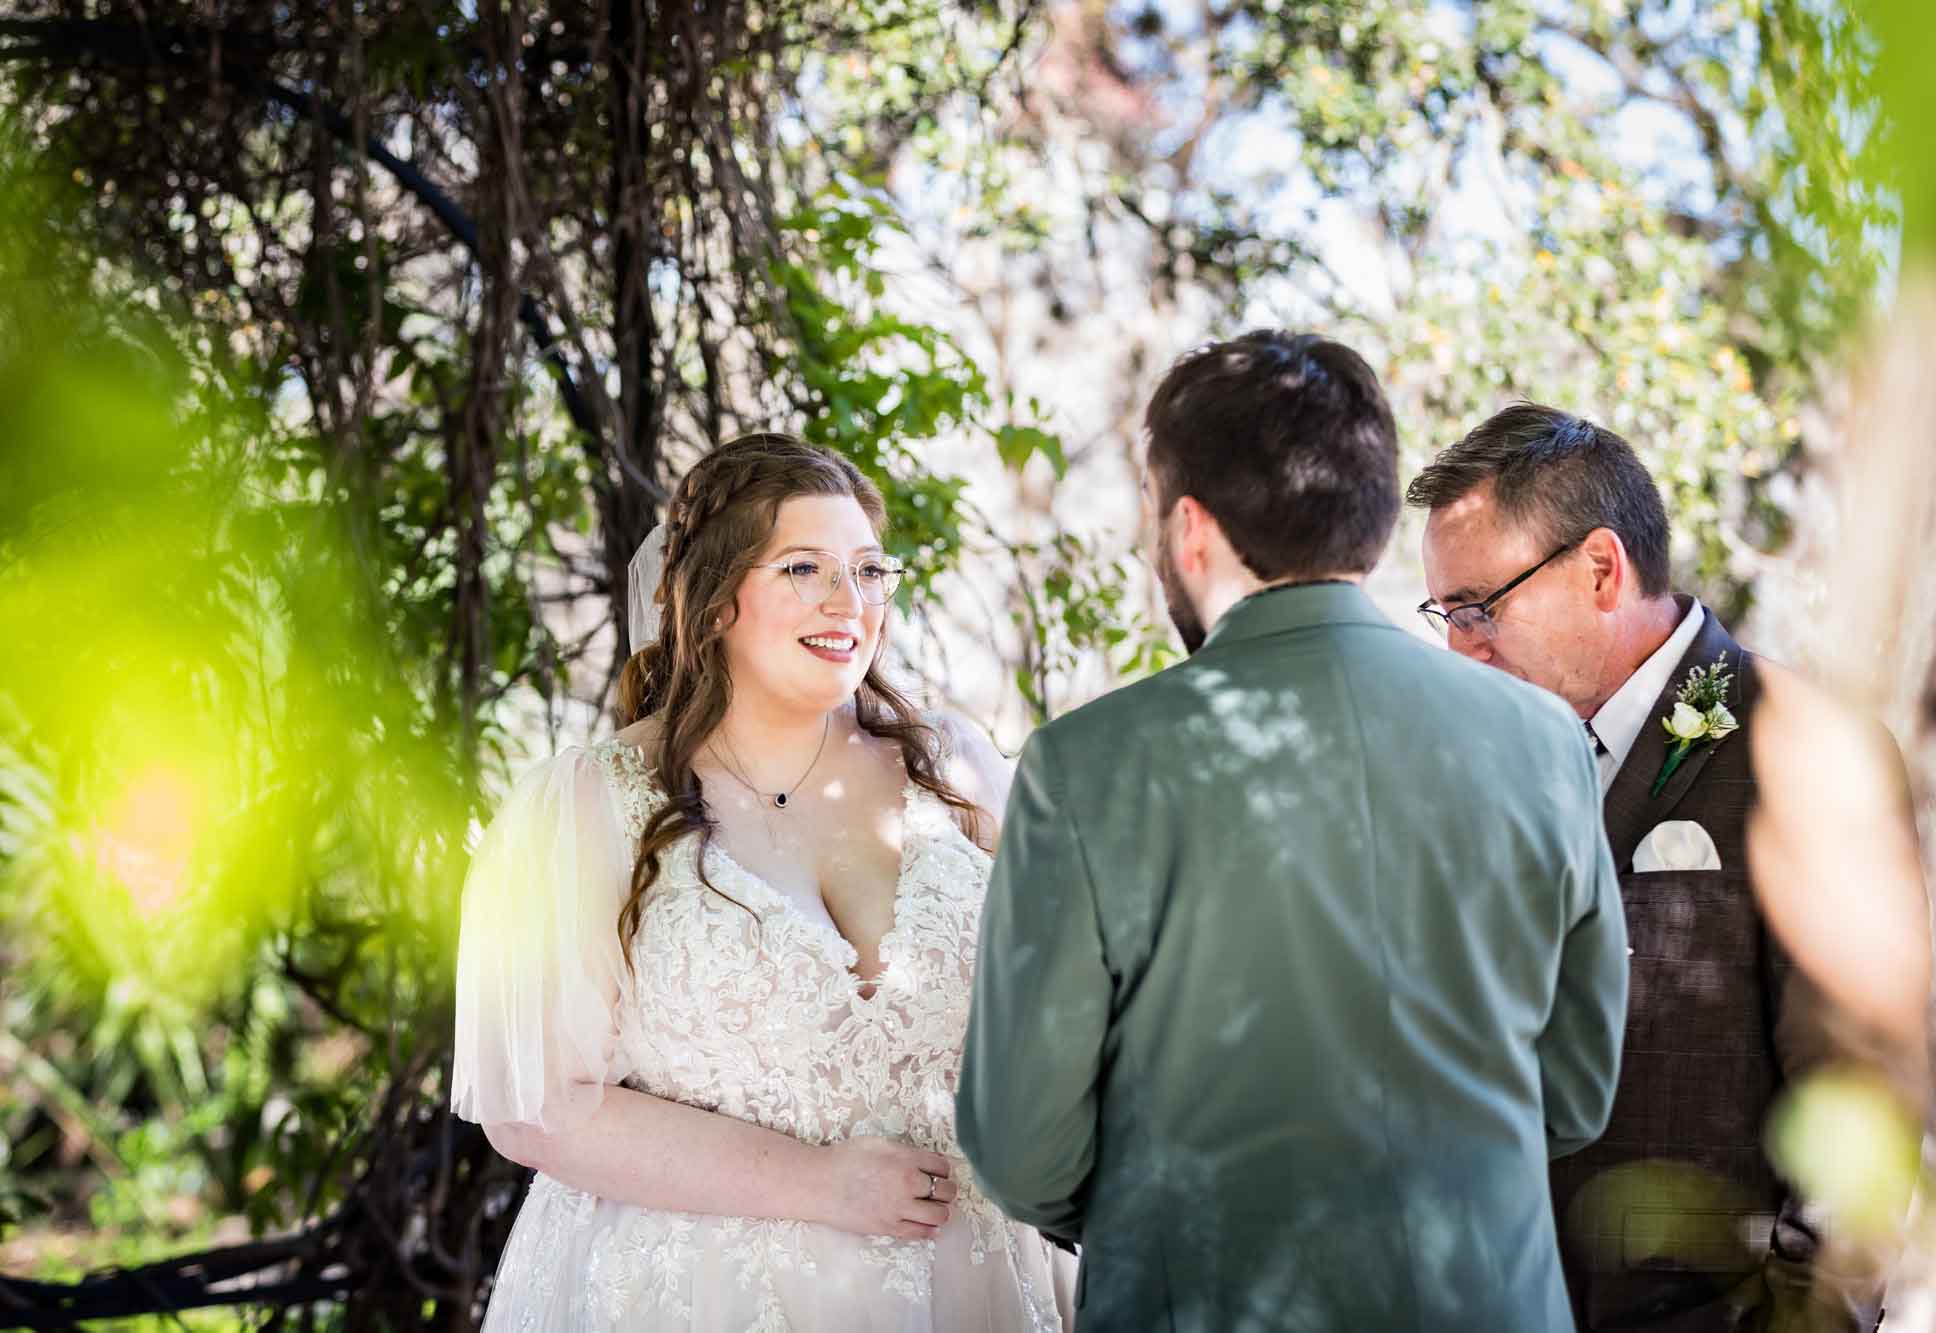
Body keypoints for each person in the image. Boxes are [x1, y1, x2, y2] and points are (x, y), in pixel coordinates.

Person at [957, 331, 1629, 1331]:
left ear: (1187, 527)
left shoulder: (1086, 764)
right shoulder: (1544, 741)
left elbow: (1021, 1145)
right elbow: (1572, 1094)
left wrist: (1149, 1222)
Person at [451, 432, 1074, 1331]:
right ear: (712, 604)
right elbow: (536, 1112)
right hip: (702, 1294)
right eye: (804, 569)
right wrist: (818, 1184)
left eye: (867, 569)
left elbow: (1071, 1000)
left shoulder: (957, 769)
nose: (848, 601)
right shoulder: (585, 808)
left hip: (971, 1284)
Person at [1409, 403, 1927, 1332]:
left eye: (1479, 607)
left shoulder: (1806, 748)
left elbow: (1864, 1105)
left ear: (1602, 569)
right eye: (1443, 614)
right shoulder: (1481, 762)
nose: (1461, 645)